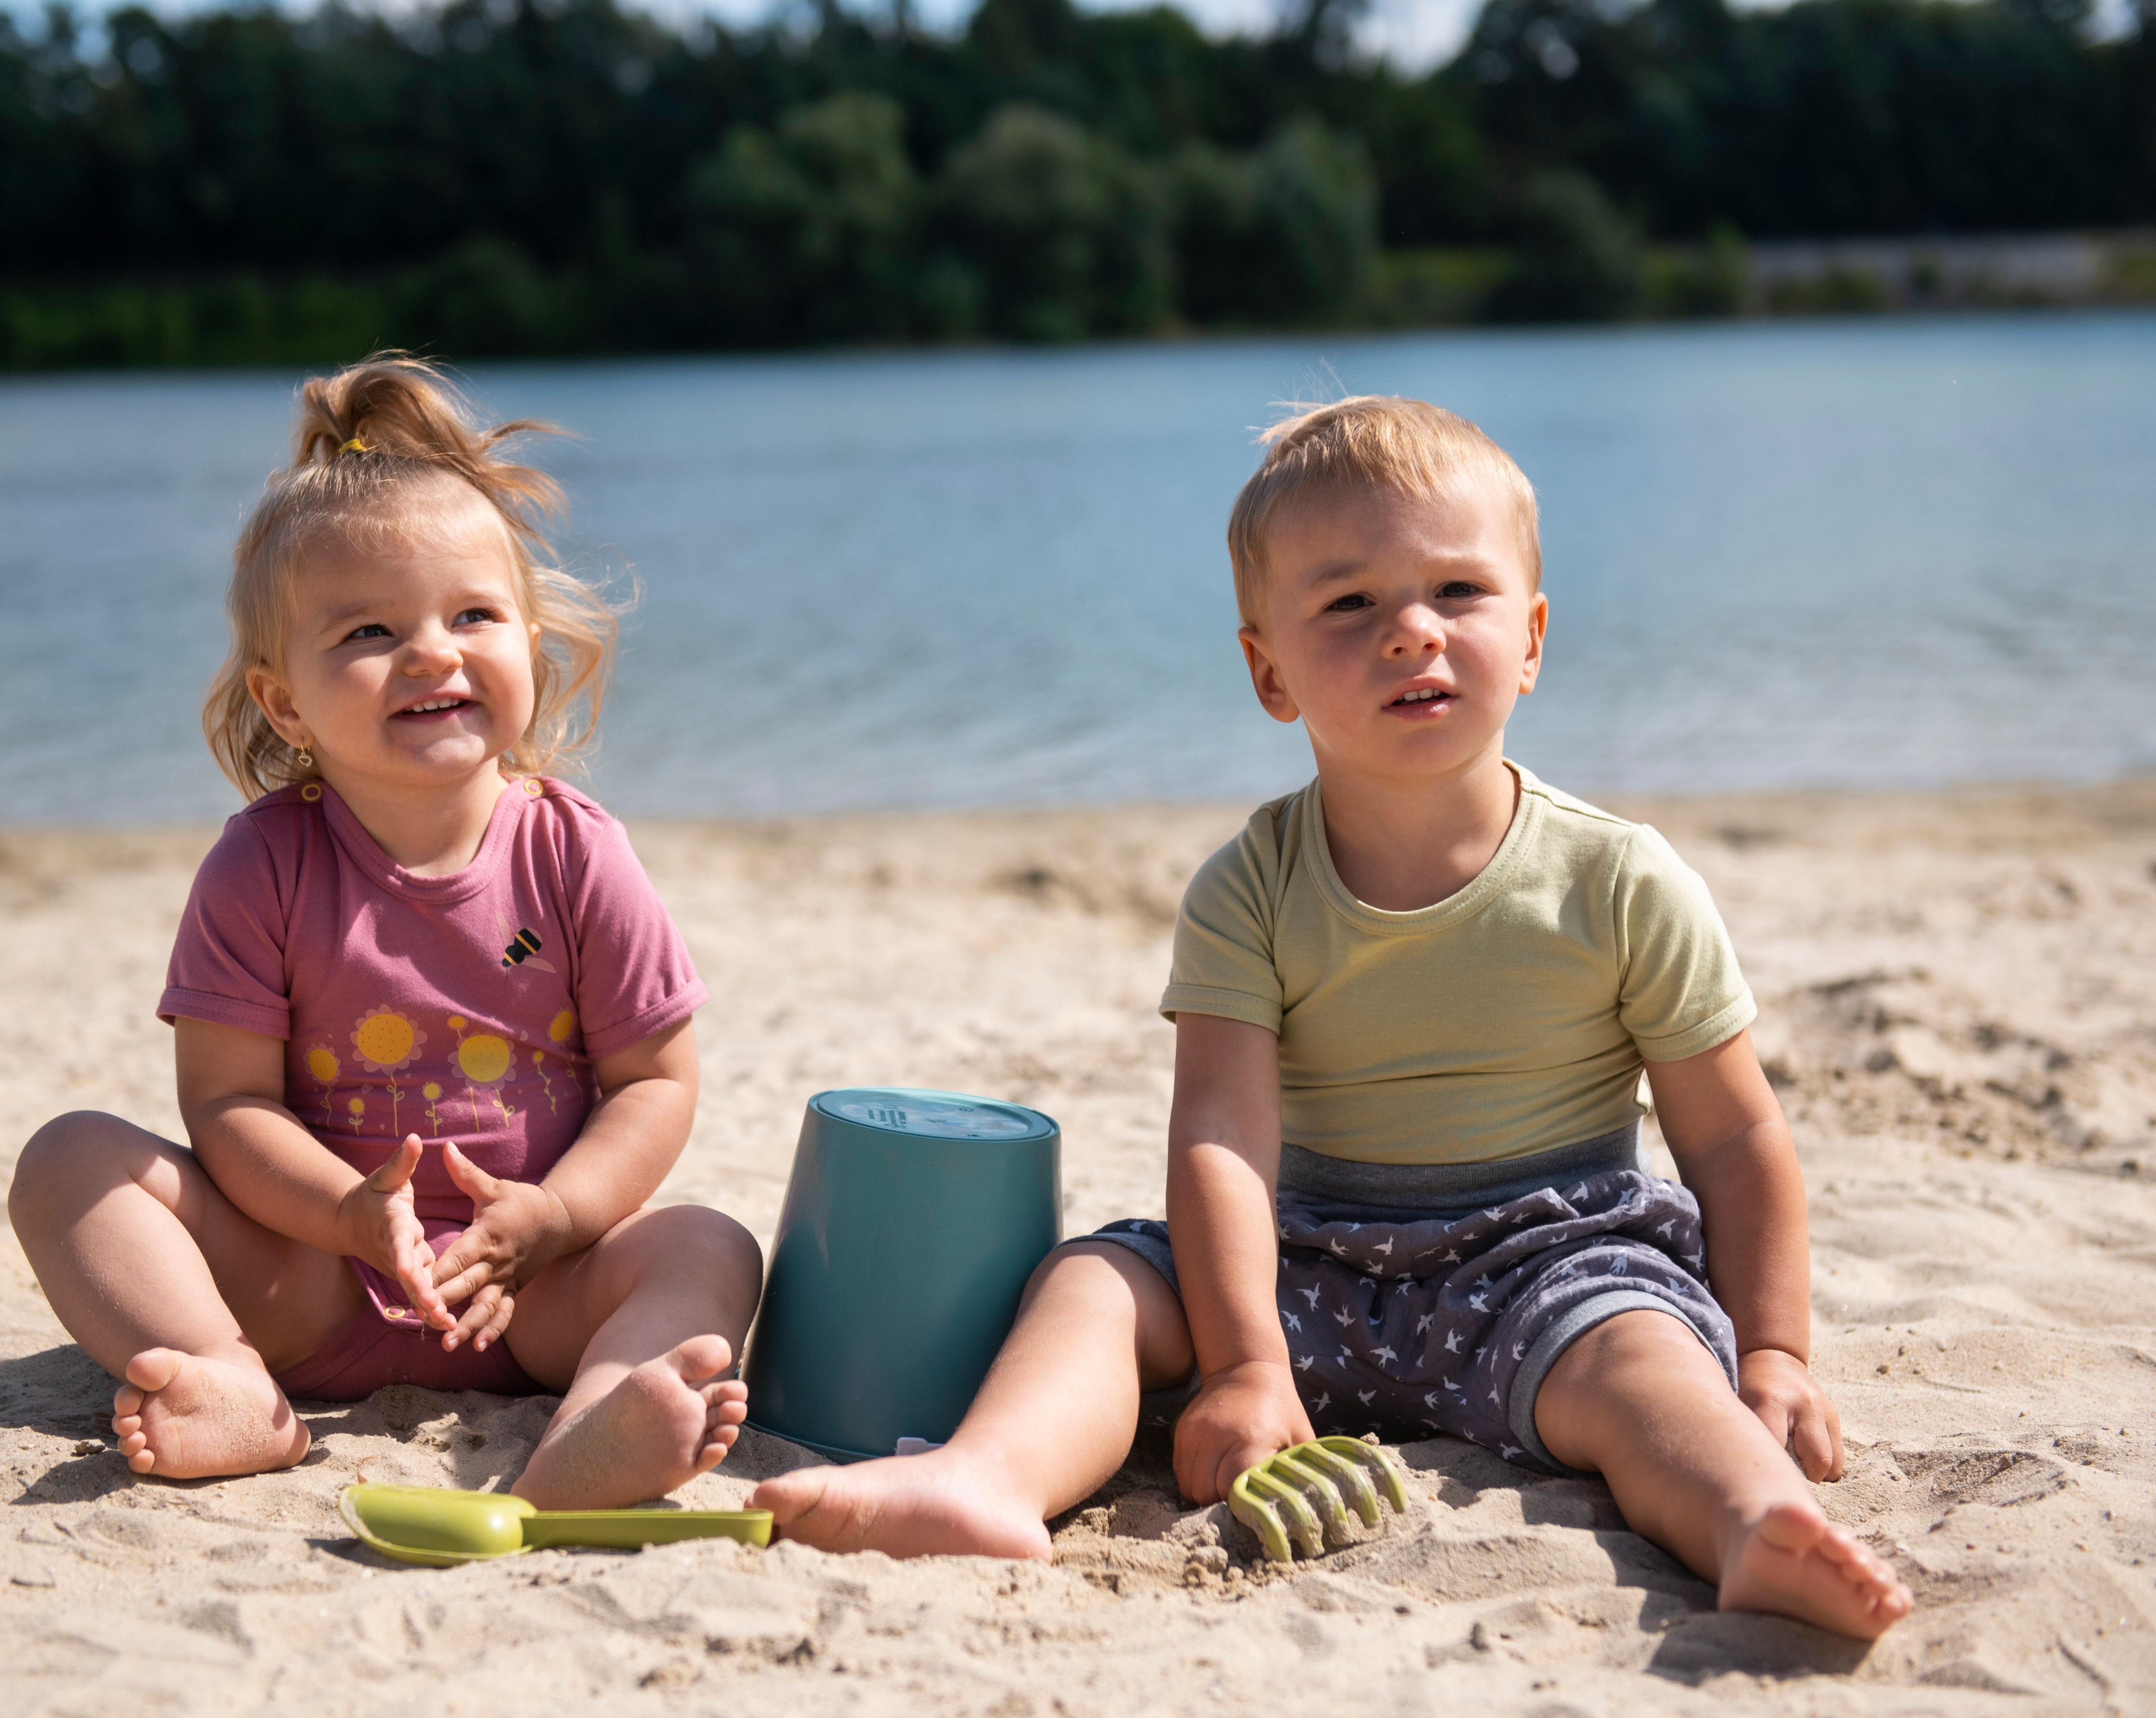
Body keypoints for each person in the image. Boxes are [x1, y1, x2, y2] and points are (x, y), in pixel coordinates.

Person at [755, 397, 1913, 1639]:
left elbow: (1734, 1142)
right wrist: (1246, 1361)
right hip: (1303, 1263)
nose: (1412, 633)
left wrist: (1777, 1354)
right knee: (1098, 1283)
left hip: (1546, 1266)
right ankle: (987, 1478)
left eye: (1457, 593)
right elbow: (1222, 1143)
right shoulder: (1250, 887)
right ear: (1270, 671)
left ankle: (1753, 1521)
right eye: (1350, 605)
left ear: (1529, 640)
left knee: (1648, 1367)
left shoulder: (1619, 882)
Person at [8, 356, 760, 1507]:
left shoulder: (574, 852)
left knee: (710, 1244)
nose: (430, 652)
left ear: (531, 644)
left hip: (529, 1296)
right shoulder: (262, 864)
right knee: (70, 1160)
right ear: (286, 703)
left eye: (473, 616)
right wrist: (347, 1217)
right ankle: (230, 1385)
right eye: (369, 631)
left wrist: (555, 1217)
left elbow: (655, 1080)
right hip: (310, 1285)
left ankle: (596, 1423)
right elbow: (229, 1104)